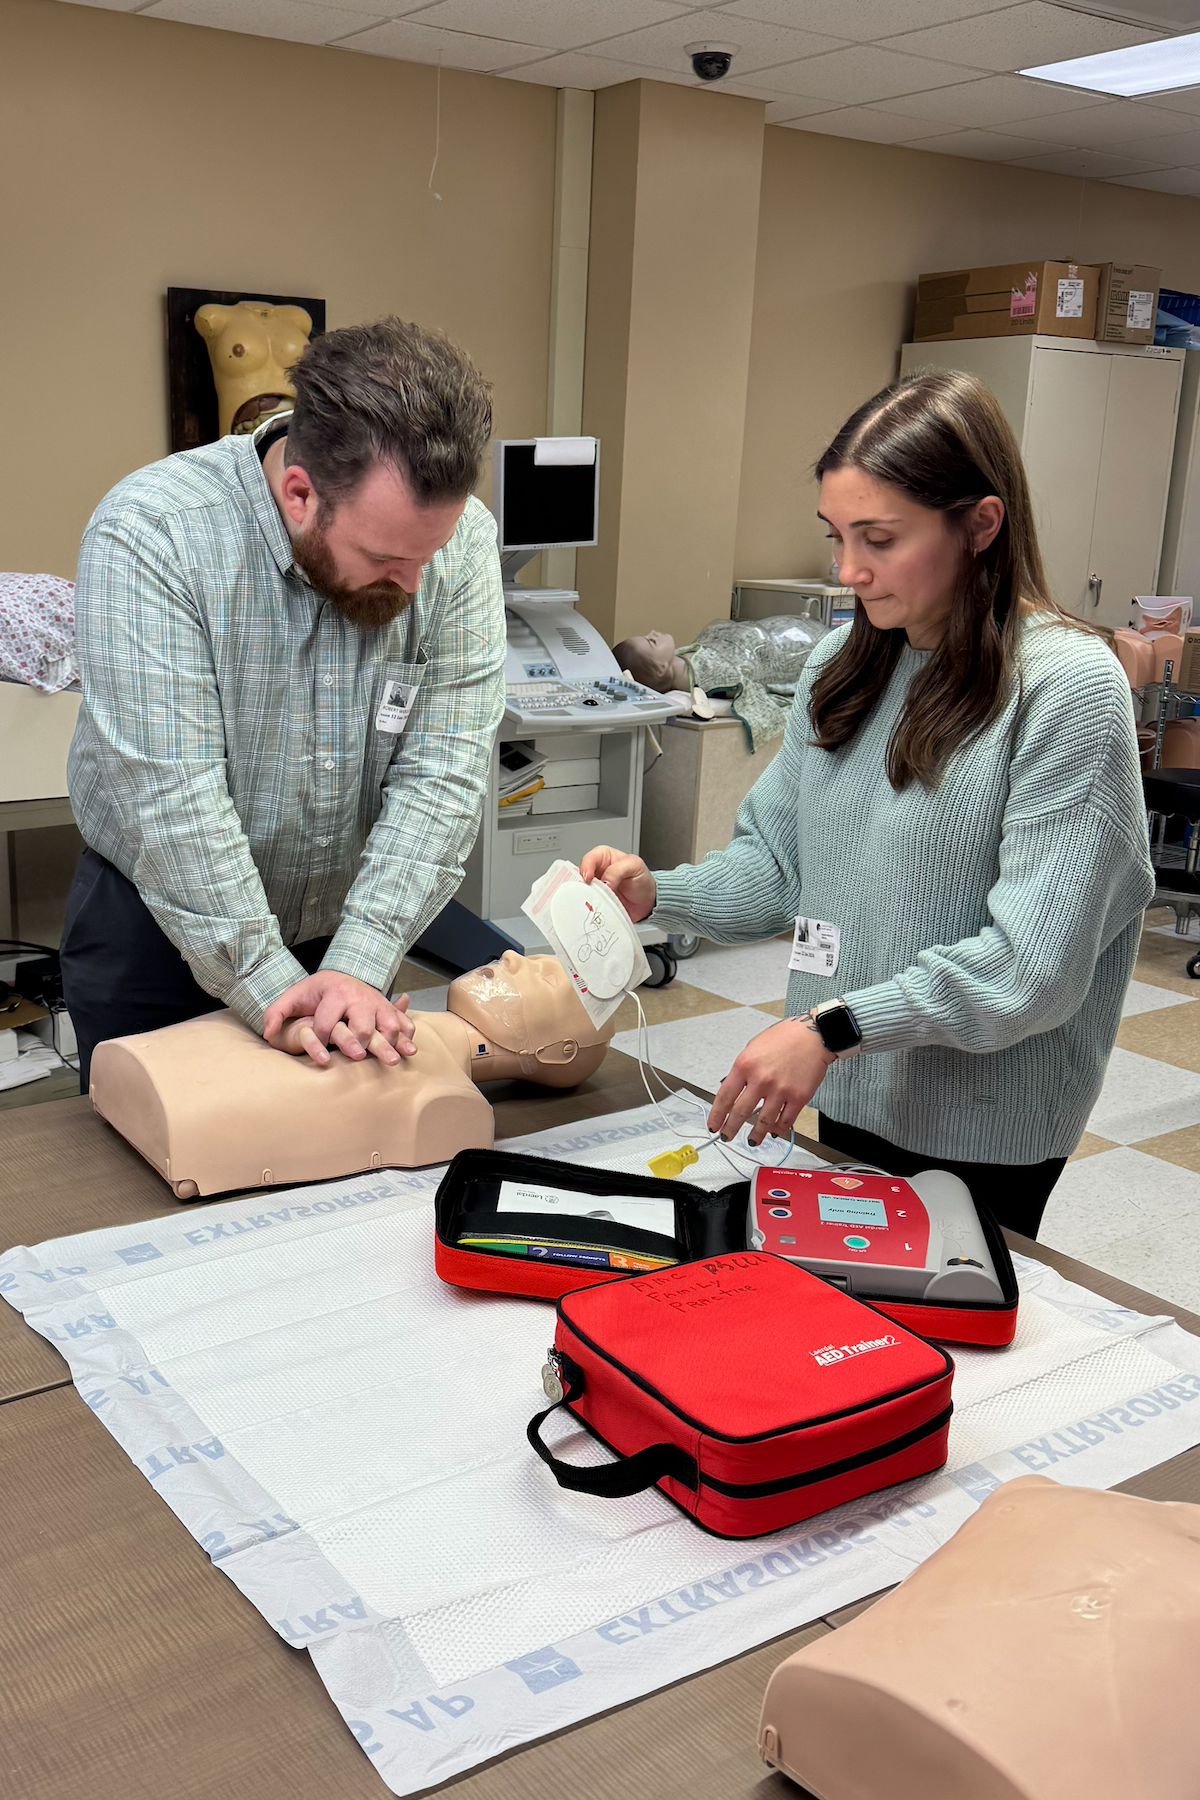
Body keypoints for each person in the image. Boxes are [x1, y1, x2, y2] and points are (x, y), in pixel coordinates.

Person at [583, 369, 1154, 1239]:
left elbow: (1032, 969)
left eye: (879, 539)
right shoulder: (845, 665)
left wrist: (838, 1024)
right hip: (845, 1078)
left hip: (982, 1121)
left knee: (948, 1334)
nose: (850, 571)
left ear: (981, 526)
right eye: (838, 536)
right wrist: (656, 894)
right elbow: (777, 869)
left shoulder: (1066, 688)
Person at [62, 316, 505, 1086]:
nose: (413, 585)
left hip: (344, 939)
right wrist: (277, 992)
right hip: (166, 929)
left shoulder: (458, 542)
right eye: (387, 559)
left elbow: (445, 771)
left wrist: (360, 965)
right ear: (299, 493)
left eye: (428, 556)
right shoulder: (155, 533)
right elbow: (174, 799)